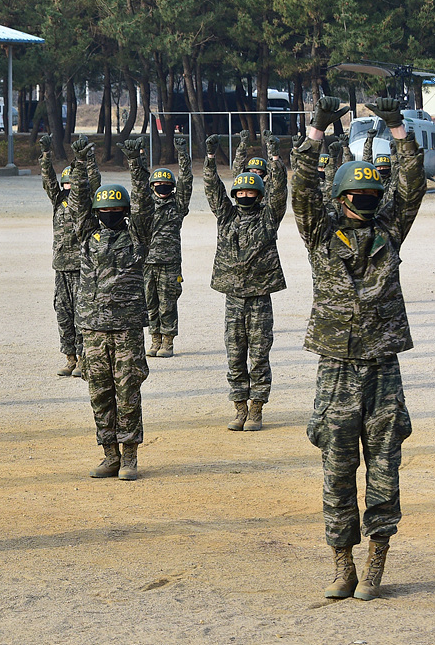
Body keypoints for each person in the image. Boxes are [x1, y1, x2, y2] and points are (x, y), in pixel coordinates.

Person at [292, 97, 423, 601]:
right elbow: (301, 191)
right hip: (338, 368)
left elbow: (410, 191)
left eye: (373, 196)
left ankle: (375, 564)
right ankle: (342, 565)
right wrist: (315, 134)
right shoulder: (322, 234)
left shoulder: (388, 231)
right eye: (357, 196)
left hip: (383, 368)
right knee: (337, 468)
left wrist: (397, 130)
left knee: (385, 468)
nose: (366, 204)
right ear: (341, 198)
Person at [70, 137, 153, 481]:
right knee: (99, 394)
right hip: (92, 329)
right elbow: (78, 202)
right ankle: (109, 455)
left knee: (128, 393)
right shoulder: (87, 236)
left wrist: (135, 163)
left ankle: (130, 456)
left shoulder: (136, 235)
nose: (109, 215)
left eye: (116, 210)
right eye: (104, 210)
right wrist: (80, 164)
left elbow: (145, 205)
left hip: (126, 328)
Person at [203, 130, 287, 432]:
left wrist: (275, 159)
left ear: (259, 195)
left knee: (259, 353)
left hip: (260, 296)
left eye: (251, 192)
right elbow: (213, 191)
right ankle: (238, 406)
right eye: (240, 192)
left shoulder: (268, 217)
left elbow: (279, 192)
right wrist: (210, 160)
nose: (245, 195)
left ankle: (257, 408)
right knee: (235, 353)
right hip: (233, 297)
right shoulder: (227, 218)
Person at [39, 134, 99, 377]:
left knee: (82, 314)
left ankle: (85, 358)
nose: (68, 188)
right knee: (63, 313)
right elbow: (47, 180)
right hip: (61, 268)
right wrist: (46, 155)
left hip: (82, 267)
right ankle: (70, 357)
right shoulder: (57, 202)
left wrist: (85, 160)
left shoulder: (86, 203)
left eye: (72, 184)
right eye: (66, 185)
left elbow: (93, 181)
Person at [143, 136, 193, 358]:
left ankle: (168, 341)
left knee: (168, 303)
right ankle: (154, 339)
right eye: (157, 185)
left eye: (166, 185)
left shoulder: (178, 205)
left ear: (172, 187)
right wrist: (140, 158)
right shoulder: (145, 205)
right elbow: (138, 182)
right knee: (149, 301)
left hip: (170, 262)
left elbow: (187, 180)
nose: (161, 187)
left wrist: (182, 154)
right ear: (152, 186)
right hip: (146, 261)